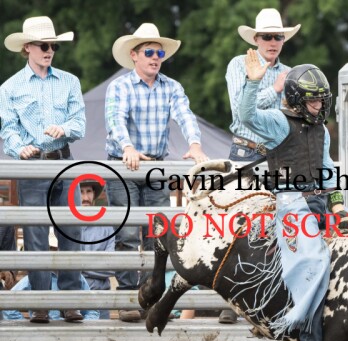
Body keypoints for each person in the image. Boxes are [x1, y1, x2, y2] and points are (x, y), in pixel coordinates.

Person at [239, 49, 345, 341]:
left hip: (317, 203)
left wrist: (338, 206)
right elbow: (246, 117)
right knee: (316, 263)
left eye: (322, 99)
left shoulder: (321, 129)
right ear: (298, 100)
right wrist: (253, 83)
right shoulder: (277, 122)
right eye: (314, 100)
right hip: (289, 203)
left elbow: (327, 168)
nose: (320, 105)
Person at [105, 23, 209, 322]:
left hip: (155, 166)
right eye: (149, 52)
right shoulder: (120, 86)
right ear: (134, 55)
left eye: (159, 53)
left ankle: (150, 299)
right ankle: (129, 298)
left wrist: (195, 144)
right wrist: (127, 147)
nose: (155, 58)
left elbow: (185, 115)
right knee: (127, 234)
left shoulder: (172, 87)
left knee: (157, 235)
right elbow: (115, 119)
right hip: (123, 163)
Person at [0, 16, 86, 324]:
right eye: (44, 45)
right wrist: (18, 147)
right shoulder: (9, 87)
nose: (50, 51)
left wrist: (64, 129)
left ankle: (70, 302)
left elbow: (79, 124)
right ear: (28, 48)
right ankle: (40, 303)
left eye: (53, 46)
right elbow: (7, 129)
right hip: (33, 164)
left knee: (71, 232)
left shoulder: (70, 81)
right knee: (35, 236)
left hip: (64, 160)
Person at [222, 8, 300, 325]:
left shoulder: (290, 72)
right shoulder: (238, 65)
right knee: (240, 228)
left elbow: (293, 117)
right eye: (267, 36)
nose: (273, 41)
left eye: (278, 36)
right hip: (245, 153)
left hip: (278, 157)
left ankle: (269, 301)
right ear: (256, 39)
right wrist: (276, 89)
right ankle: (233, 300)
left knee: (278, 230)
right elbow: (241, 112)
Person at [79, 179, 115, 319]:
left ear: (94, 194)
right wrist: (97, 264)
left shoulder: (107, 226)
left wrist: (81, 267)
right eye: (81, 192)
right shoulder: (66, 226)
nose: (85, 197)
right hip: (75, 298)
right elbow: (65, 266)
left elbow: (112, 267)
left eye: (89, 191)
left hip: (101, 298)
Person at [2, 272, 99, 321]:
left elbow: (92, 310)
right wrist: (24, 326)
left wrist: (82, 329)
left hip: (71, 333)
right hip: (42, 332)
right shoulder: (31, 279)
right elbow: (8, 304)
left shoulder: (77, 278)